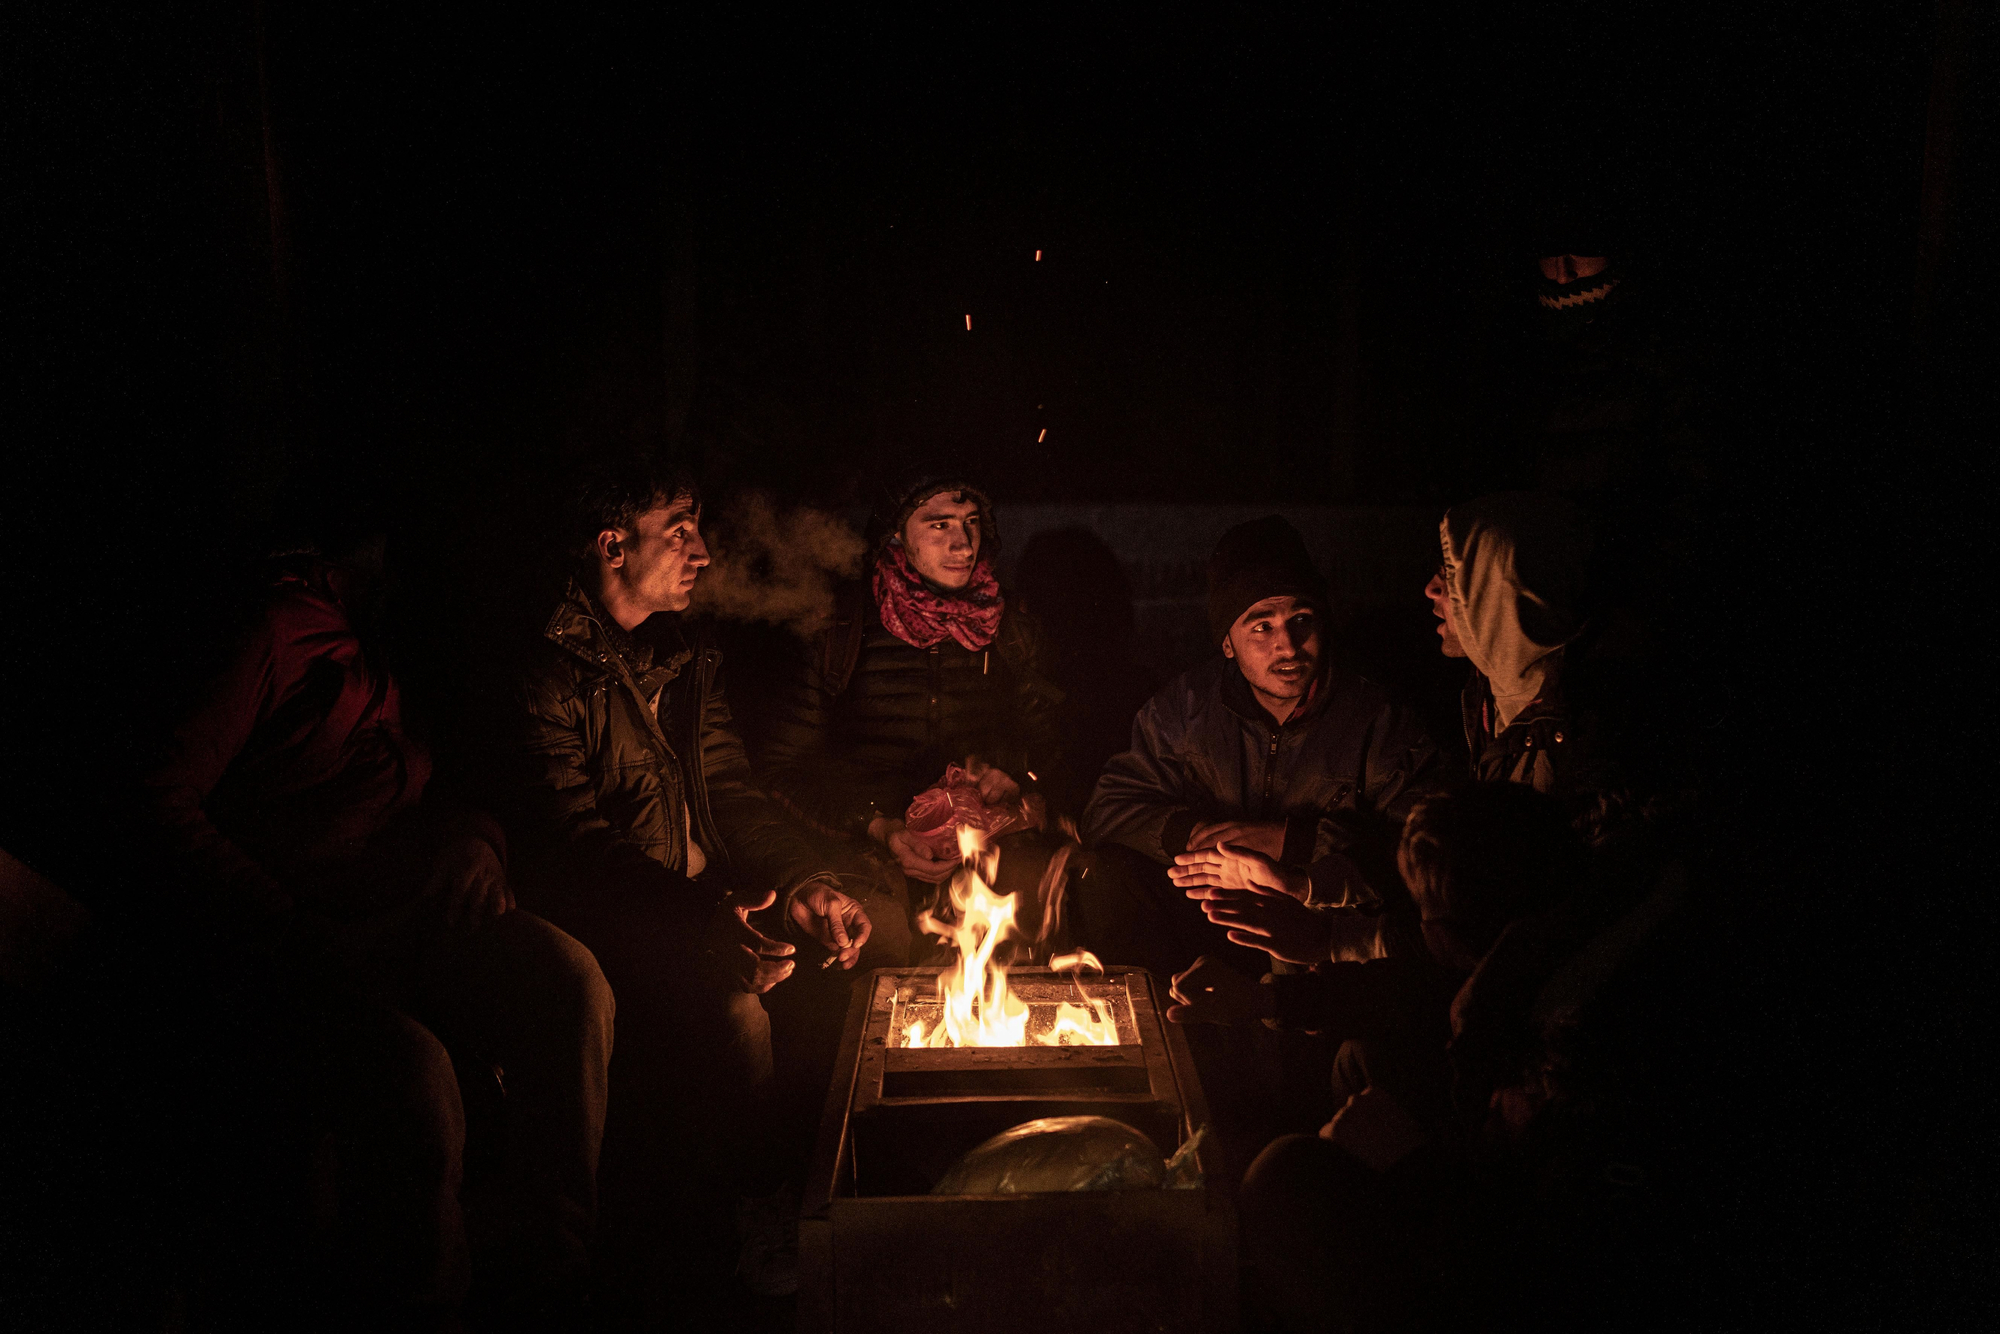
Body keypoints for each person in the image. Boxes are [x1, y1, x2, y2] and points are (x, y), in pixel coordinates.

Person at [140, 534, 613, 1330]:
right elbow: (159, 799)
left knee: (569, 981)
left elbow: (457, 779)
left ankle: (555, 1269)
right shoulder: (277, 629)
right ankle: (429, 1300)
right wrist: (284, 924)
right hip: (298, 937)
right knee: (416, 1075)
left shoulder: (406, 637)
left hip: (414, 909)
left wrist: (476, 839)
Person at [509, 453, 876, 1305]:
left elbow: (732, 794)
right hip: (621, 918)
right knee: (735, 1010)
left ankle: (821, 1211)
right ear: (611, 545)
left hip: (703, 903)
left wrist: (803, 882)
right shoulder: (544, 672)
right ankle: (747, 1225)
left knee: (846, 966)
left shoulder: (680, 654)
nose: (703, 553)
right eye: (679, 534)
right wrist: (698, 923)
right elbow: (575, 849)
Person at [1174, 782, 1692, 1332]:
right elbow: (1419, 989)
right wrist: (1269, 998)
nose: (1416, 934)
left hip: (1541, 1285)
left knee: (1285, 1173)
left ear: (1456, 932)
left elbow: (1544, 1259)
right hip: (1499, 1212)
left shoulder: (1587, 1044)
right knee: (1363, 1059)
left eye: (1421, 916)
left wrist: (1410, 1163)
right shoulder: (1549, 945)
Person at [1078, 515, 1442, 984]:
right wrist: (1192, 835)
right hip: (1204, 924)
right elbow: (1107, 809)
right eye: (1261, 627)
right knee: (1106, 875)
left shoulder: (1379, 720)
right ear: (1227, 642)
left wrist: (1292, 844)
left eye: (1301, 620)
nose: (1288, 646)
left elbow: (1421, 852)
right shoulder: (1184, 710)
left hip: (1327, 941)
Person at [756, 470, 1067, 918]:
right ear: (895, 535)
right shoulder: (837, 628)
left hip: (988, 859)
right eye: (940, 524)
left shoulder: (1009, 626)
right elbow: (781, 770)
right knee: (873, 933)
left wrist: (1016, 775)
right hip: (865, 858)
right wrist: (877, 825)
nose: (963, 544)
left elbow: (1057, 749)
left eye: (972, 521)